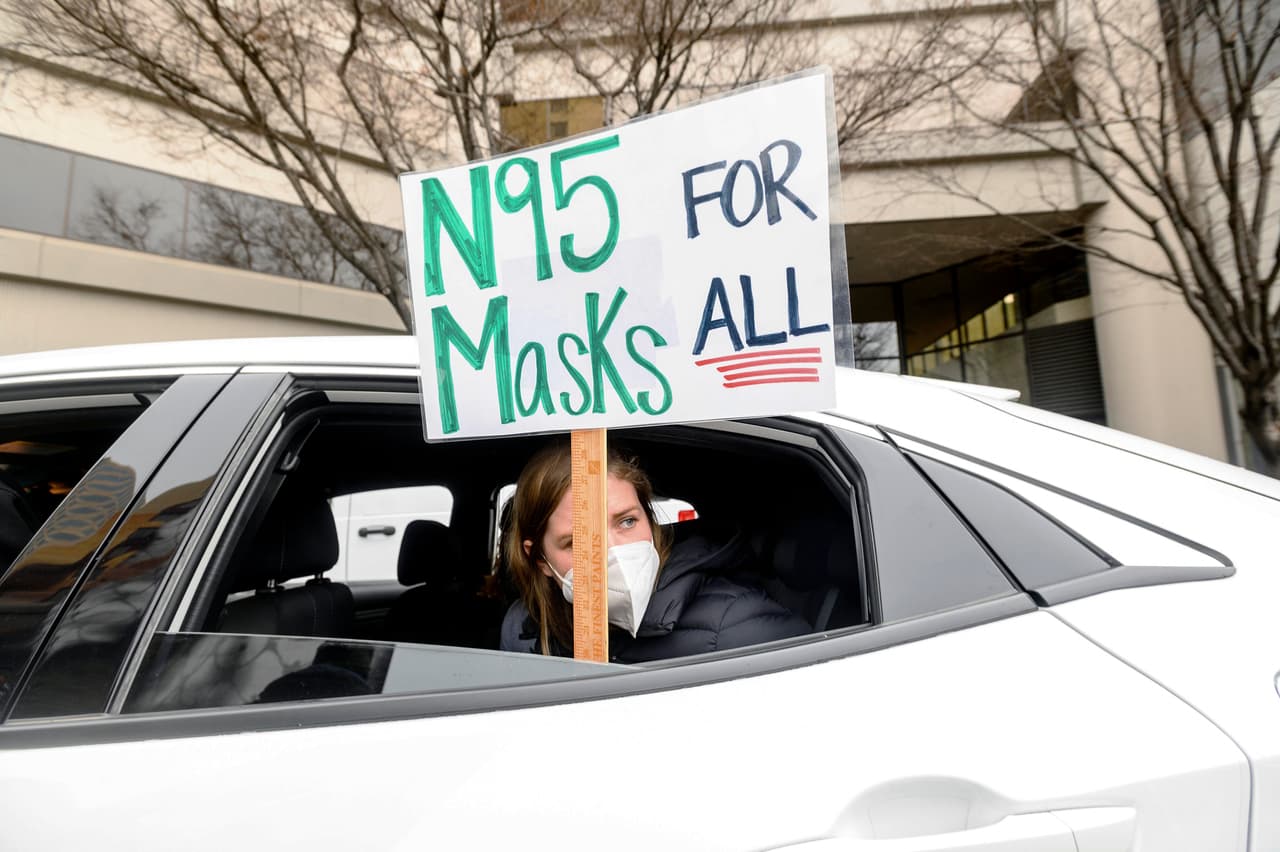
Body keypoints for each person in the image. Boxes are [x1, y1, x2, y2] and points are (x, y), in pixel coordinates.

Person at [498, 440, 809, 662]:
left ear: (651, 521)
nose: (614, 552)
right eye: (577, 541)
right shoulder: (524, 628)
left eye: (628, 521)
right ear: (541, 560)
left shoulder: (737, 625)